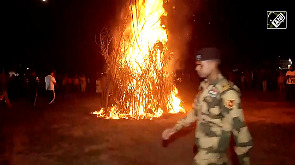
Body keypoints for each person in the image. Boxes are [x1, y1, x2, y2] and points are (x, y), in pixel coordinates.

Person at [162, 47, 253, 165]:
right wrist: (175, 128)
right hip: (210, 154)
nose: (196, 68)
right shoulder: (204, 87)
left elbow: (240, 129)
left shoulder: (227, 92)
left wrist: (244, 160)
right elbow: (194, 112)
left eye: (200, 65)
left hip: (211, 156)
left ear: (213, 64)